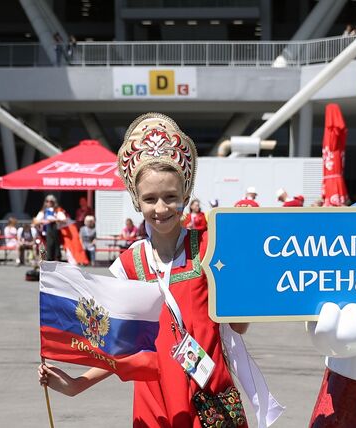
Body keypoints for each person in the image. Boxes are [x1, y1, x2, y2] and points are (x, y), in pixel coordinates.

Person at [38, 112, 270, 427]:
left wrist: (246, 258)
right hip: (155, 402)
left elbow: (239, 325)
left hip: (210, 399)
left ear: (186, 197)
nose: (160, 208)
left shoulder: (210, 248)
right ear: (136, 200)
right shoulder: (128, 266)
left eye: (170, 197)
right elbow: (121, 345)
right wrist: (77, 384)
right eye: (150, 199)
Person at [35, 194, 66, 261]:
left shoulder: (57, 210)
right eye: (47, 201)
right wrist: (43, 221)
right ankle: (47, 259)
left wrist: (54, 220)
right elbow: (36, 221)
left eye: (51, 201)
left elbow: (64, 219)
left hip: (55, 232)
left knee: (55, 246)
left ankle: (56, 258)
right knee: (46, 247)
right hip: (44, 233)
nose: (49, 203)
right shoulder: (43, 211)